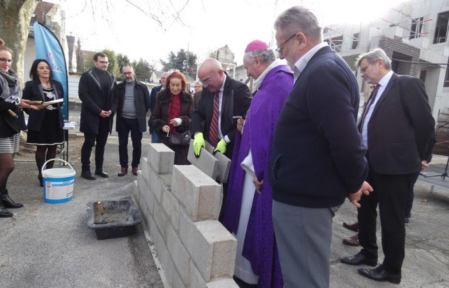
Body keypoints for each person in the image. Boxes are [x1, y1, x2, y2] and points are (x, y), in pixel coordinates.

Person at [269, 7, 372, 288]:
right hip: (305, 195)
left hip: (305, 200)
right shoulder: (323, 68)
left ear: (300, 39)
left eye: (281, 47)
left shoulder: (322, 72)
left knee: (304, 281)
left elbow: (346, 142)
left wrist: (353, 182)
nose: (280, 56)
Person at [340, 48, 435, 284]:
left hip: (396, 167)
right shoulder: (375, 92)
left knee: (392, 220)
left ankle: (392, 268)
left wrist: (422, 156)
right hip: (370, 164)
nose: (361, 74)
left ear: (379, 63)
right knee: (365, 211)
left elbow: (424, 123)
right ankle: (368, 253)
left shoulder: (406, 84)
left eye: (364, 69)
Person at [222, 40, 293, 288]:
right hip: (255, 168)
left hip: (260, 175)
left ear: (258, 61)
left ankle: (251, 275)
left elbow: (276, 135)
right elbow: (261, 125)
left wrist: (260, 169)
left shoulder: (280, 84)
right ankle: (242, 271)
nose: (248, 73)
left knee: (253, 223)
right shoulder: (269, 84)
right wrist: (245, 126)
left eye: (247, 67)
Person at [0, 38, 40, 217]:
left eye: (8, 60)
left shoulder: (13, 78)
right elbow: (2, 104)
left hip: (13, 125)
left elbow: (11, 102)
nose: (6, 63)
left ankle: (3, 196)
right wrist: (20, 103)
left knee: (4, 166)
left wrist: (26, 104)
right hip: (0, 127)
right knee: (8, 166)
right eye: (2, 59)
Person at [192, 58, 252, 160]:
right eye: (202, 82)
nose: (205, 86)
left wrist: (226, 139)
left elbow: (245, 122)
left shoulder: (239, 90)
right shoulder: (208, 90)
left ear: (220, 73)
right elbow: (198, 113)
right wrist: (197, 133)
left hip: (231, 149)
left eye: (207, 80)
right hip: (210, 146)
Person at [22, 59, 64, 187]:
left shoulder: (57, 84)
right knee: (41, 148)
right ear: (36, 70)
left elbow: (60, 102)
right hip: (40, 122)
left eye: (47, 67)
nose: (45, 70)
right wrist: (36, 112)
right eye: (41, 68)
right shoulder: (30, 85)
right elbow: (25, 103)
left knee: (53, 147)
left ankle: (49, 173)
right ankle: (41, 174)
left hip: (54, 120)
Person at [79, 52, 117, 180]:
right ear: (95, 62)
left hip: (106, 118)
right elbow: (83, 96)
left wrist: (111, 110)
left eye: (106, 62)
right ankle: (85, 170)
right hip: (91, 117)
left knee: (101, 144)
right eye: (102, 62)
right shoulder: (87, 76)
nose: (105, 64)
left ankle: (99, 169)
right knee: (89, 143)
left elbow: (115, 99)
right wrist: (98, 111)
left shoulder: (111, 77)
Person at [151, 71, 193, 165]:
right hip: (164, 140)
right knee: (164, 168)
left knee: (180, 170)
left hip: (181, 142)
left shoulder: (188, 98)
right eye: (172, 85)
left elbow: (192, 119)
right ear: (168, 85)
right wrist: (162, 126)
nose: (175, 88)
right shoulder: (161, 97)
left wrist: (181, 121)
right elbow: (155, 117)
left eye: (178, 85)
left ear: (182, 85)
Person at [115, 66, 150, 176]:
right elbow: (115, 101)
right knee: (122, 145)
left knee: (137, 145)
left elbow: (147, 103)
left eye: (129, 73)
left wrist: (139, 113)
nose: (127, 75)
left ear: (134, 72)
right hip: (123, 120)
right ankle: (123, 167)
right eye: (125, 73)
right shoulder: (119, 87)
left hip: (136, 121)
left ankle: (135, 166)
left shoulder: (142, 87)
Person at [149, 72, 169, 144]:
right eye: (163, 78)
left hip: (167, 123)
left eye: (166, 78)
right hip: (156, 122)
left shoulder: (172, 91)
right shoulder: (155, 90)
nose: (164, 80)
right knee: (155, 144)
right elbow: (151, 104)